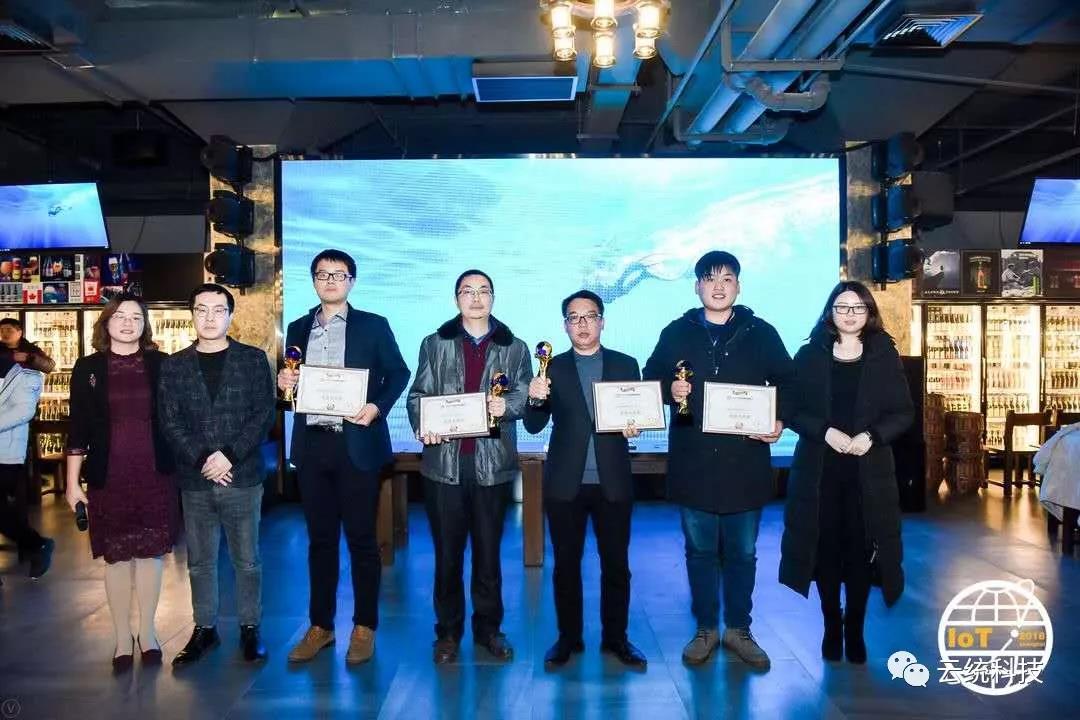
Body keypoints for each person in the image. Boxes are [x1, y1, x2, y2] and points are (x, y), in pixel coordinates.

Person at [642, 250, 794, 671]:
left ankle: (739, 630)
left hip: (745, 462)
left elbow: (789, 382)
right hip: (694, 463)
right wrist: (669, 388)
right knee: (699, 552)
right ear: (697, 287)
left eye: (727, 278)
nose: (719, 286)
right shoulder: (676, 332)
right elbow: (651, 378)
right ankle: (706, 628)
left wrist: (779, 419)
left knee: (743, 553)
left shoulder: (761, 333)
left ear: (738, 286)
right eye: (710, 279)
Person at [277, 250, 410, 665]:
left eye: (339, 274)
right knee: (320, 541)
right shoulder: (298, 327)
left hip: (357, 443)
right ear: (313, 281)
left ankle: (364, 626)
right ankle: (321, 626)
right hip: (312, 445)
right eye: (323, 274)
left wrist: (376, 406)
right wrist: (285, 382)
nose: (330, 280)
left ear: (352, 281)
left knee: (362, 540)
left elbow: (399, 373)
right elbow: (292, 385)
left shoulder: (373, 325)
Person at [779, 281, 913, 664]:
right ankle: (830, 624)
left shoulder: (884, 355)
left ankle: (854, 628)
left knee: (859, 552)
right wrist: (824, 431)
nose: (850, 314)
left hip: (868, 473)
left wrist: (873, 436)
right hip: (819, 472)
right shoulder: (809, 355)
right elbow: (791, 409)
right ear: (830, 312)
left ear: (869, 313)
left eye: (858, 307)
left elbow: (903, 412)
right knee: (825, 551)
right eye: (842, 307)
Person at [406, 269, 531, 665]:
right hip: (444, 465)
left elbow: (525, 395)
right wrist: (424, 424)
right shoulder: (435, 343)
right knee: (447, 556)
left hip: (492, 465)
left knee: (489, 556)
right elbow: (418, 395)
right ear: (456, 298)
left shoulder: (515, 347)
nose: (476, 298)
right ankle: (447, 633)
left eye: (483, 291)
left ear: (493, 297)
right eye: (467, 291)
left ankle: (489, 629)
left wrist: (507, 405)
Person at [523, 290, 647, 670]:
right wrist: (534, 397)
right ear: (565, 326)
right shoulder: (552, 368)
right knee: (565, 565)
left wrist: (636, 425)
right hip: (566, 483)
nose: (582, 324)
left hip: (613, 481)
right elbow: (533, 425)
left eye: (589, 316)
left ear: (602, 322)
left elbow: (637, 415)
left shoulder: (626, 364)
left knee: (616, 565)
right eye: (574, 317)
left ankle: (616, 639)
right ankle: (569, 639)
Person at [158, 283, 276, 666]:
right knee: (200, 562)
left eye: (218, 310)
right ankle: (204, 629)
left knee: (248, 560)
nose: (209, 318)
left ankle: (250, 627)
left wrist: (228, 456)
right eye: (201, 309)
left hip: (242, 476)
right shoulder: (173, 365)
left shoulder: (253, 359)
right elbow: (169, 421)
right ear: (191, 314)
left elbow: (263, 414)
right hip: (195, 480)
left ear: (230, 315)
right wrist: (203, 460)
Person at [65, 294, 178, 672]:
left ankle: (147, 632)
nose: (128, 323)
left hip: (154, 471)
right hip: (108, 473)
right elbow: (78, 427)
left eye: (136, 317)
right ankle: (120, 638)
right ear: (107, 322)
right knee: (115, 557)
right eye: (120, 316)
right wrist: (72, 484)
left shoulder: (161, 364)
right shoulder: (88, 367)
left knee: (149, 555)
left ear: (145, 325)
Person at [0, 354, 52, 581]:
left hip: (7, 455)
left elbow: (23, 411)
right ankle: (36, 545)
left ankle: (36, 544)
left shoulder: (24, 377)